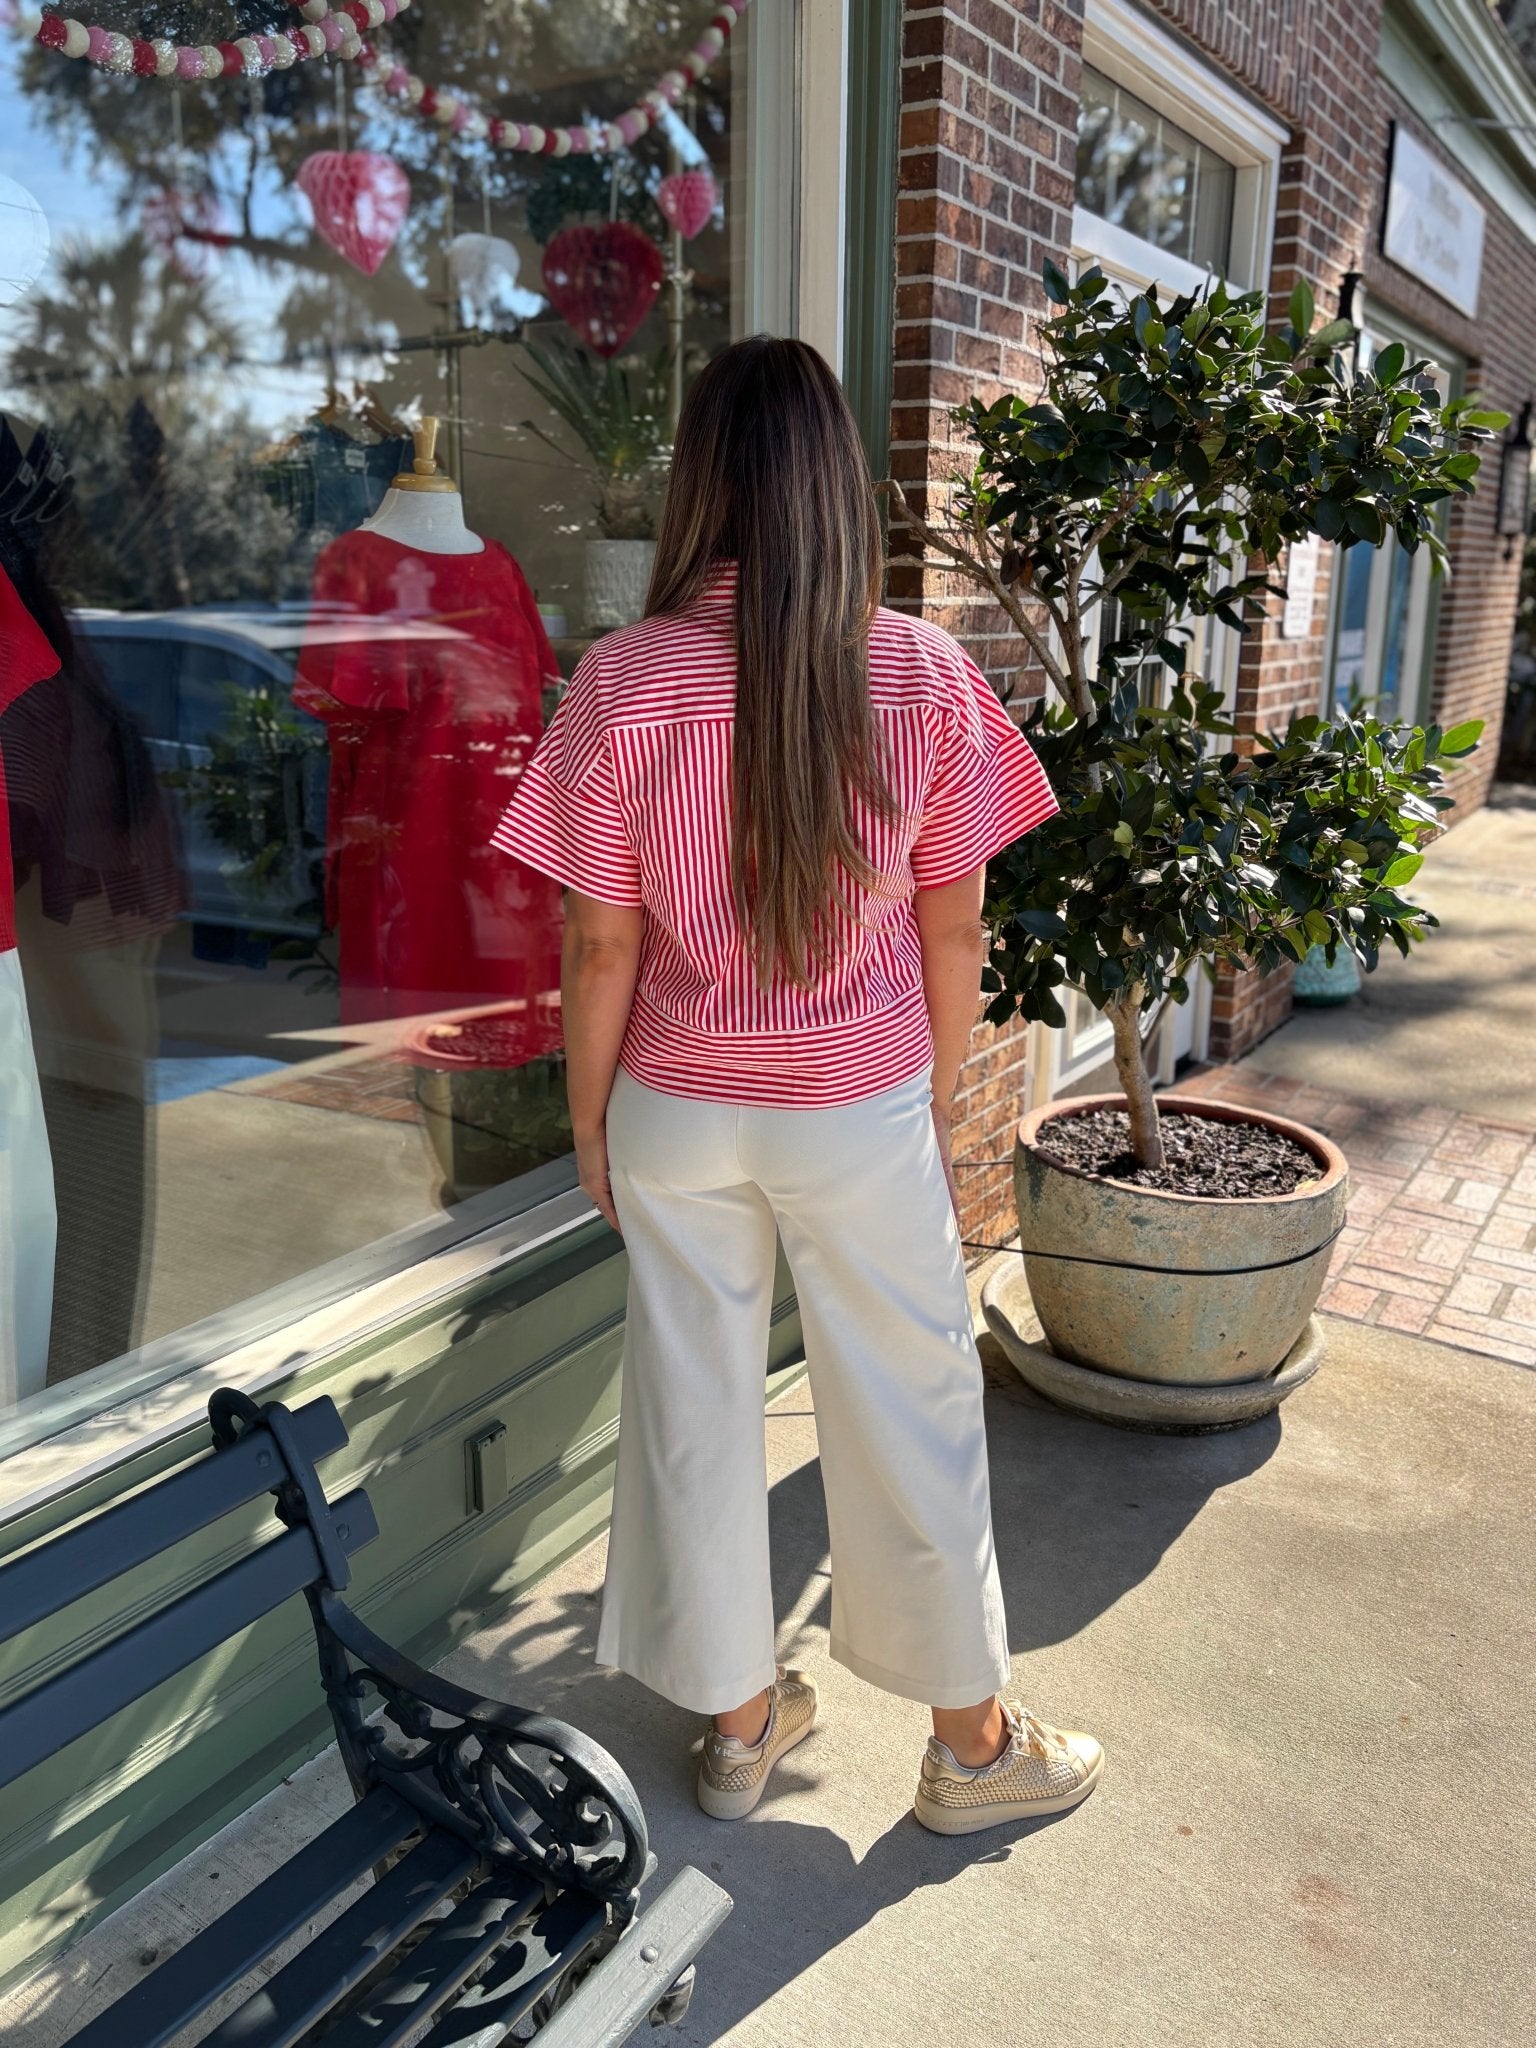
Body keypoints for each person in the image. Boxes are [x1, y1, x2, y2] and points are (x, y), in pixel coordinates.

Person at [492, 336, 1103, 1835]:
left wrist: (591, 1121)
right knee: (912, 1404)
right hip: (855, 1101)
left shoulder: (620, 681)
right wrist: (931, 1093)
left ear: (698, 482)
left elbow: (598, 942)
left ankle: (739, 1730)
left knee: (693, 1405)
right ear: (839, 483)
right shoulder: (921, 672)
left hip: (675, 1102)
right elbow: (954, 928)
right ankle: (973, 1752)